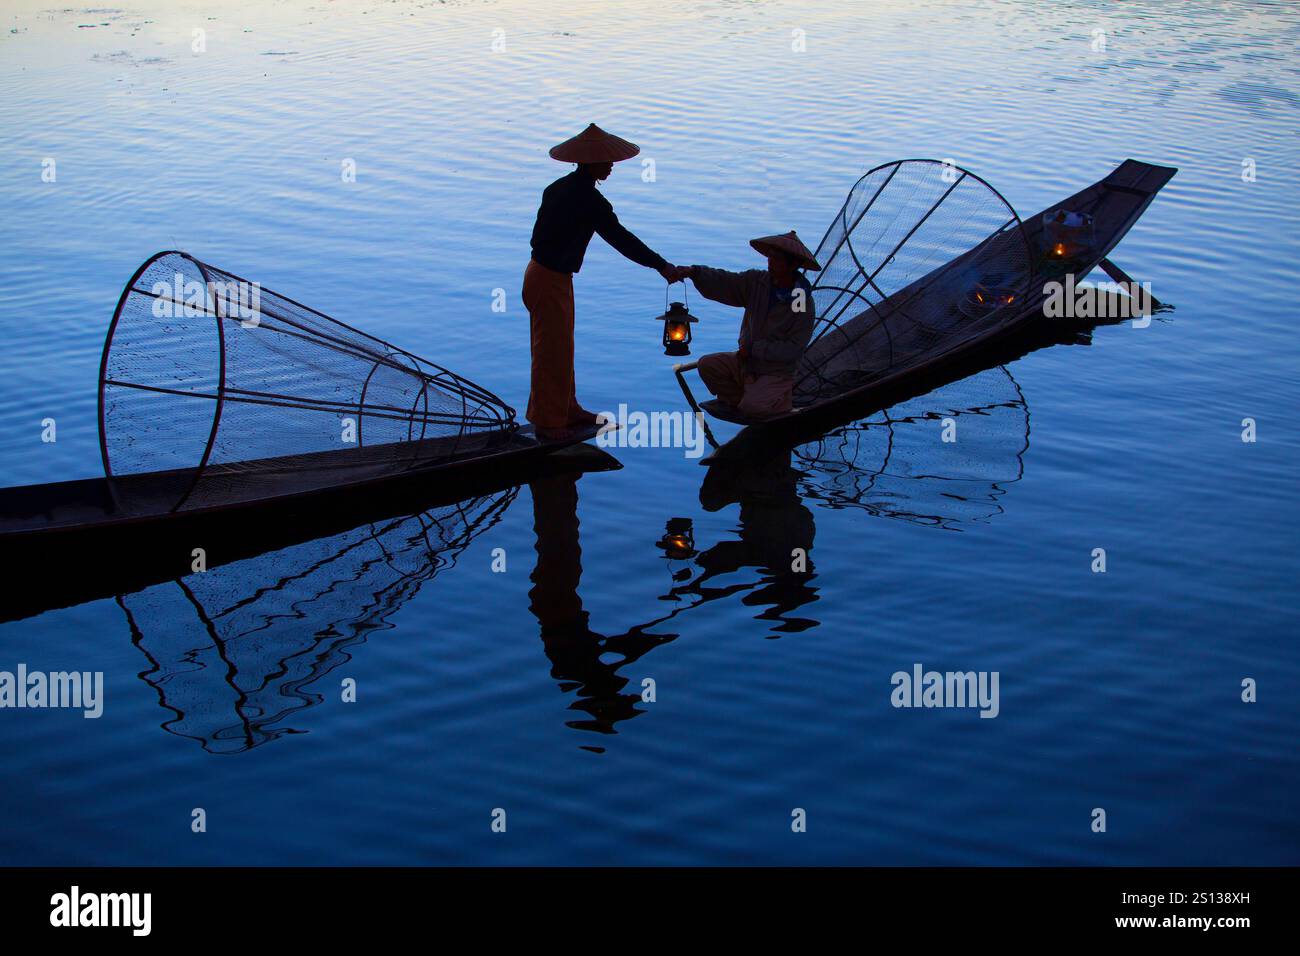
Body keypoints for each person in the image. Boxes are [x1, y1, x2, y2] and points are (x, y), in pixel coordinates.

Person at [525, 123, 680, 440]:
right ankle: (549, 422)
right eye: (606, 161)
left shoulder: (558, 189)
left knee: (561, 347)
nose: (611, 165)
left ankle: (567, 408)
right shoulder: (589, 201)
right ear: (590, 162)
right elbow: (622, 240)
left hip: (546, 275)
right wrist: (661, 265)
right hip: (548, 278)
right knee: (549, 352)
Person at [679, 231, 821, 420]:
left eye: (777, 259)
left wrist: (754, 349)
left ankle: (777, 398)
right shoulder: (758, 282)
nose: (770, 262)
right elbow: (726, 282)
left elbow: (794, 348)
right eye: (770, 257)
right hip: (746, 362)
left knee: (753, 408)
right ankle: (749, 394)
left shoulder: (800, 300)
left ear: (793, 265)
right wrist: (695, 272)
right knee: (707, 365)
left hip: (776, 371)